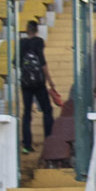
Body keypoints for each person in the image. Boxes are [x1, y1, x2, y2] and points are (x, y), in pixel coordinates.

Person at [19, 20, 56, 155]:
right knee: (47, 110)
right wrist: (50, 81)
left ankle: (27, 145)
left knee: (27, 113)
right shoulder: (39, 42)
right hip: (39, 83)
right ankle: (49, 141)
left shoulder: (21, 43)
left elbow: (16, 62)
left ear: (27, 29)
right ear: (36, 30)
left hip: (26, 84)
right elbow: (42, 63)